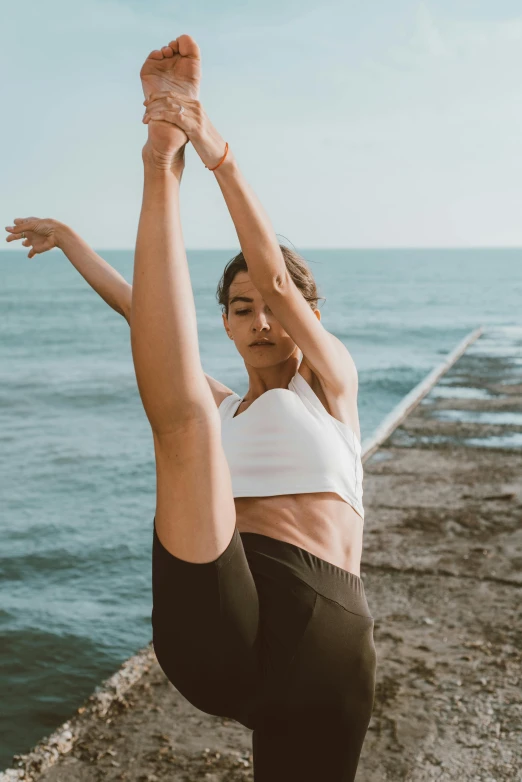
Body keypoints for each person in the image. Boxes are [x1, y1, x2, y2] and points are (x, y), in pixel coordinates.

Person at [5, 34, 377, 782]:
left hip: (325, 638)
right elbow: (141, 311)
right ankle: (156, 168)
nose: (263, 319)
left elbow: (273, 279)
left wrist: (217, 148)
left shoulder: (333, 384)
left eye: (276, 308)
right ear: (228, 326)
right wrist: (73, 238)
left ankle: (172, 144)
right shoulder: (225, 411)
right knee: (185, 424)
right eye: (241, 310)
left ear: (306, 311)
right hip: (219, 624)